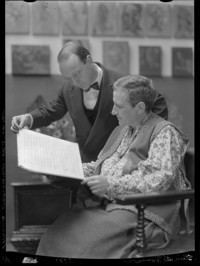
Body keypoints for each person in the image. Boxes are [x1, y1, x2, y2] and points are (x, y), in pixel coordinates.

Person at [36, 75, 191, 259]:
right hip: (112, 206)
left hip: (144, 212)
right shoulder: (123, 130)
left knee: (83, 245)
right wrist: (65, 167)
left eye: (118, 105)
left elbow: (158, 179)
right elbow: (101, 166)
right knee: (58, 233)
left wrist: (110, 185)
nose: (112, 111)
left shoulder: (165, 132)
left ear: (140, 107)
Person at [10, 41, 168, 163]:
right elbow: (53, 110)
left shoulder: (122, 82)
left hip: (117, 164)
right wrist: (29, 118)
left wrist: (146, 137)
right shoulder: (68, 86)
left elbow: (157, 101)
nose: (74, 81)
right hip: (86, 163)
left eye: (77, 74)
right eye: (68, 77)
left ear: (89, 60)